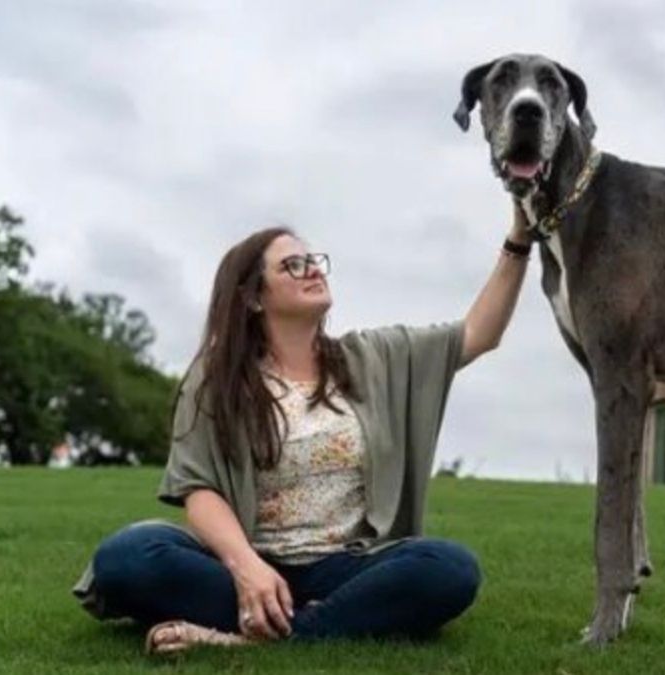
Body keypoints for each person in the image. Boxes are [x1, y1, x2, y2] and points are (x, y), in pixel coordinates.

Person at [72, 205, 533, 654]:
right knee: (126, 556)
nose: (312, 270)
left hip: (345, 566)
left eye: (313, 260)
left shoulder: (373, 357)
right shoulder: (217, 377)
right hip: (245, 564)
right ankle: (317, 620)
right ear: (253, 297)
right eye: (292, 266)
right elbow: (198, 489)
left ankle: (260, 636)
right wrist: (247, 567)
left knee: (449, 568)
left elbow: (478, 333)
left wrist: (519, 240)